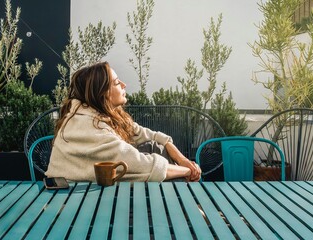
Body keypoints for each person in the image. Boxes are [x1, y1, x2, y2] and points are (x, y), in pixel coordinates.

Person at [45, 61, 201, 182]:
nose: (124, 85)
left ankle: (189, 211)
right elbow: (141, 164)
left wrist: (184, 161)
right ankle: (190, 213)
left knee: (156, 148)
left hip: (94, 189)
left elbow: (153, 136)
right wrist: (189, 171)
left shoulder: (104, 116)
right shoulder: (87, 126)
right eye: (117, 82)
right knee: (162, 171)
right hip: (71, 199)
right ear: (104, 93)